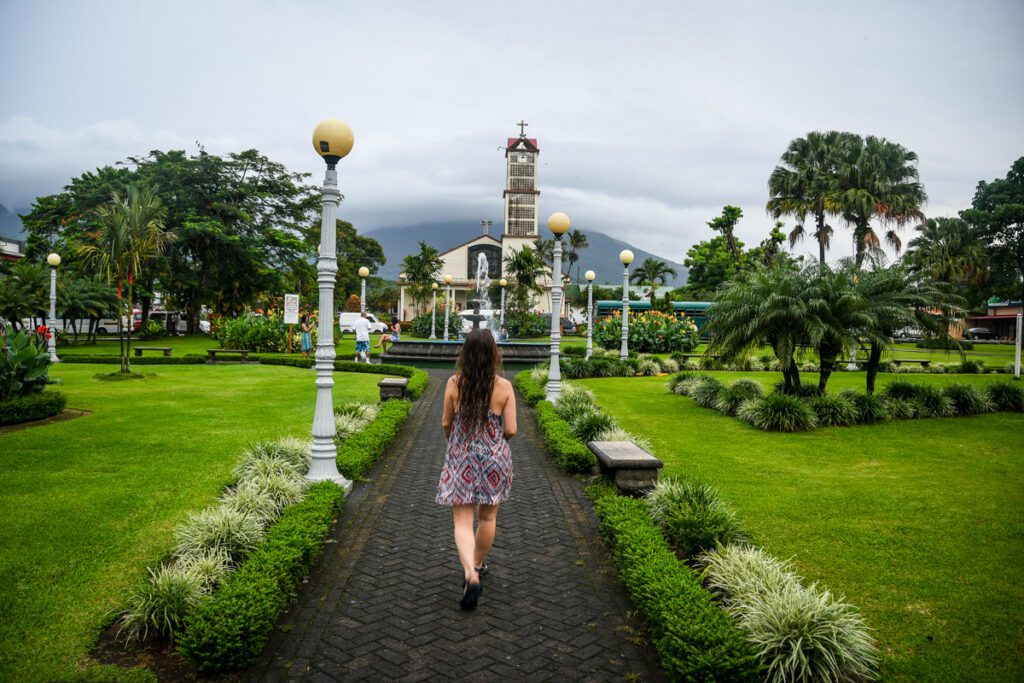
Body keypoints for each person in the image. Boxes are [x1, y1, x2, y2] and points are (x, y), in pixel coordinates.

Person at [436, 328, 516, 610]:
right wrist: (495, 444)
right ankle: (478, 565)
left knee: (461, 520)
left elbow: (446, 423)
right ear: (494, 354)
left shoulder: (455, 383)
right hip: (494, 458)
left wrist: (456, 442)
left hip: (461, 458)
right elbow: (511, 429)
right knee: (488, 518)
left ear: (465, 354)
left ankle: (470, 573)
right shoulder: (504, 387)